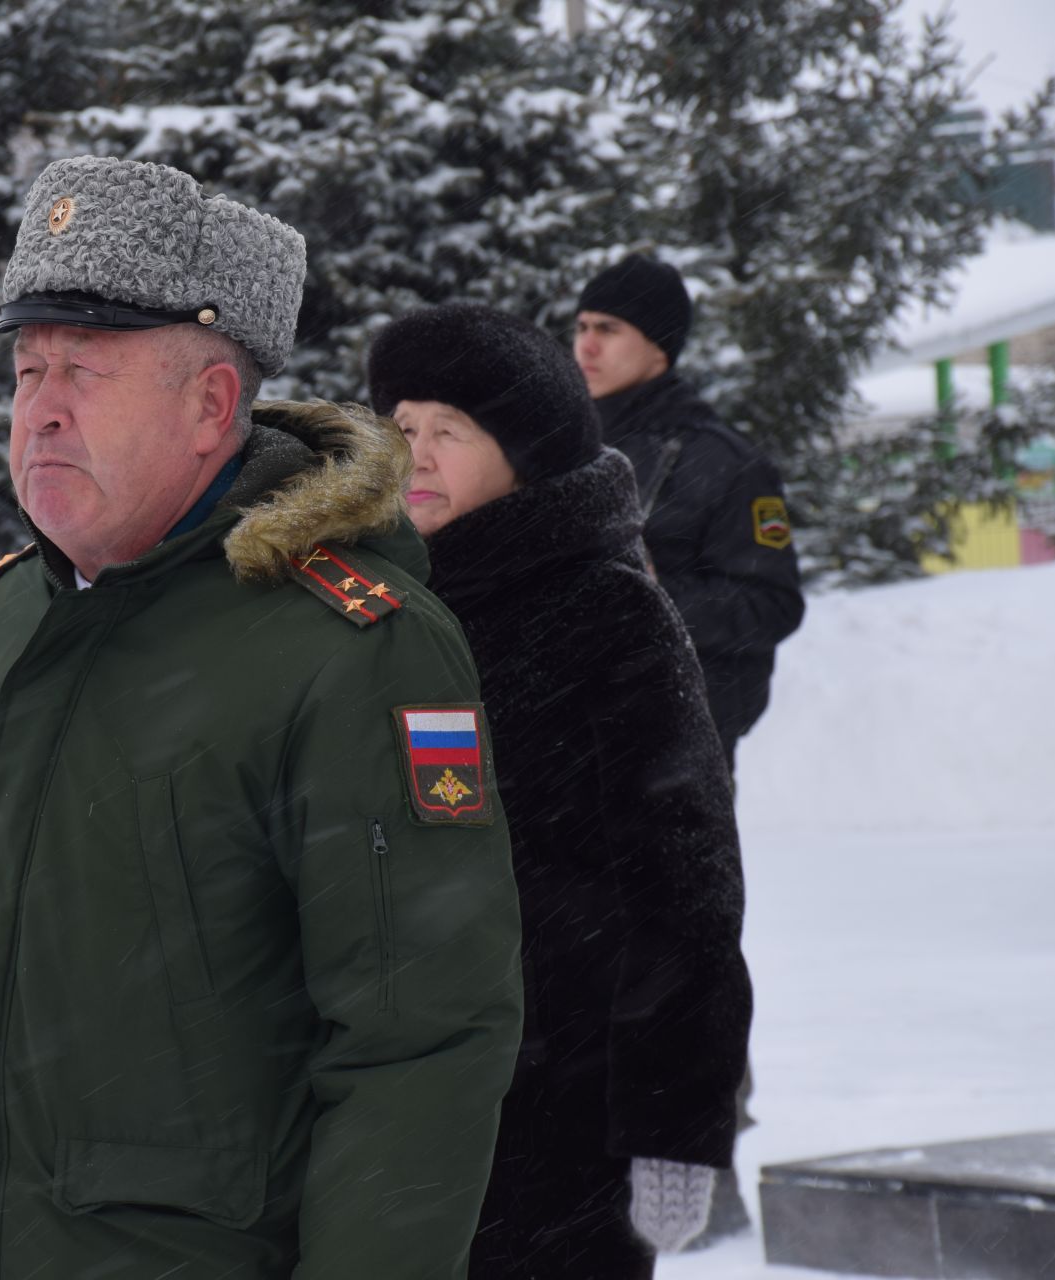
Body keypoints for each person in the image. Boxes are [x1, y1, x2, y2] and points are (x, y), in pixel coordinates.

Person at [0, 155, 524, 1279]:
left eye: (84, 371)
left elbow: (418, 1041)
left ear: (211, 405)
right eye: (28, 368)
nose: (38, 406)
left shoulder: (349, 647)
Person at [366, 304, 752, 1277]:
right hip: (402, 1106)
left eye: (449, 431)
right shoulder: (383, 603)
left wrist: (674, 1117)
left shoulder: (606, 608)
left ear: (524, 452)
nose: (416, 454)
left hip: (562, 1110)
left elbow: (686, 881)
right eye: (402, 428)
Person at [572, 254, 804, 770]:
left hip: (676, 746)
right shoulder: (558, 451)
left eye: (609, 329)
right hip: (565, 739)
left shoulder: (727, 464)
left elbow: (773, 604)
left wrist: (654, 599)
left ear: (659, 345)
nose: (586, 345)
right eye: (582, 326)